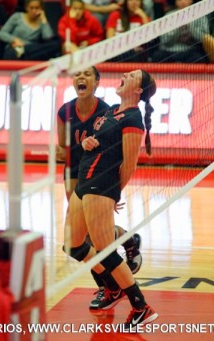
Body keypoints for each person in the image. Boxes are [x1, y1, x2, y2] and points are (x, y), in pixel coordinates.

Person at [65, 69, 158, 327]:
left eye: (133, 75)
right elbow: (98, 141)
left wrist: (113, 191)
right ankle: (112, 287)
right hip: (84, 182)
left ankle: (141, 307)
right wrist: (87, 144)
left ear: (138, 90)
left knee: (105, 251)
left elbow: (129, 164)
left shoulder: (132, 119)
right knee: (73, 245)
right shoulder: (112, 110)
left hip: (101, 185)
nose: (126, 74)